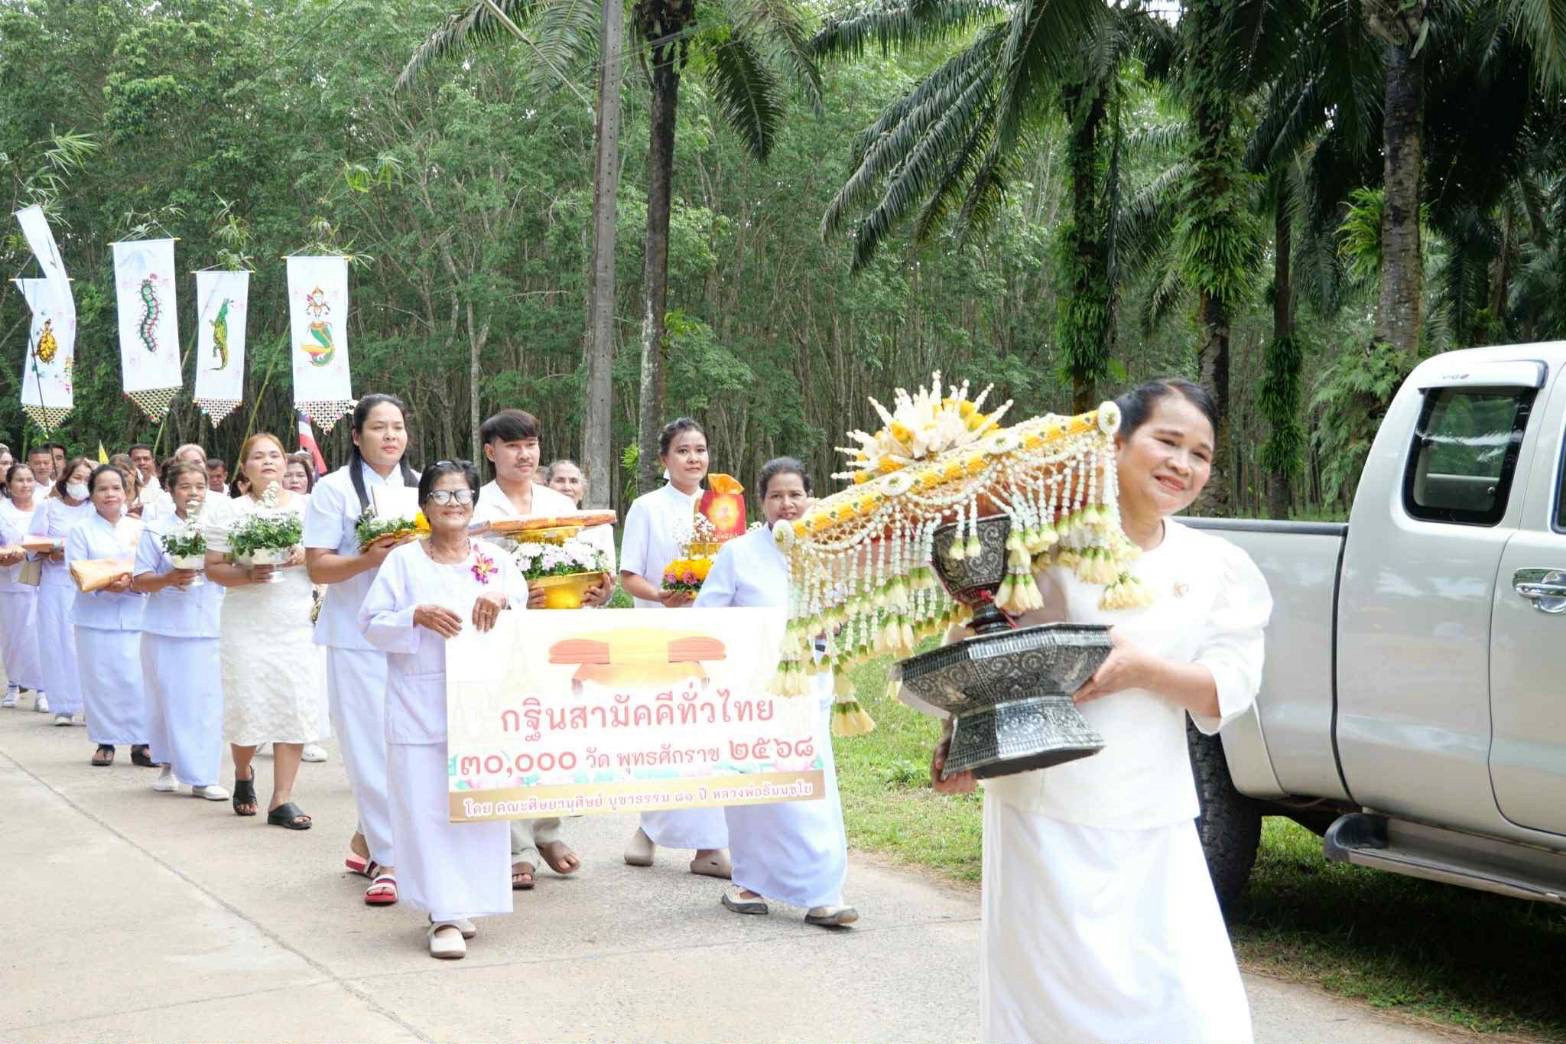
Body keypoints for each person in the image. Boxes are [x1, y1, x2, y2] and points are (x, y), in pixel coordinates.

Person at [930, 379, 1272, 1042]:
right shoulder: (1048, 551)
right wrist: (959, 736)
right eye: (1166, 441)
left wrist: (1143, 671)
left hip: (1155, 811)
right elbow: (984, 651)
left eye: (1199, 454)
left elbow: (1228, 687)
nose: (1182, 464)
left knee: (1195, 1009)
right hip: (1043, 809)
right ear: (1115, 445)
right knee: (1048, 1005)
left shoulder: (1218, 564)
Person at [360, 460, 528, 959]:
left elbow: (523, 610)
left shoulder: (495, 560)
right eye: (442, 495)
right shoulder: (404, 562)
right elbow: (370, 623)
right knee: (428, 808)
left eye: (462, 495)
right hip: (420, 701)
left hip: (480, 708)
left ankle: (468, 901)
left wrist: (503, 600)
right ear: (425, 506)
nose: (453, 504)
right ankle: (443, 913)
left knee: (475, 805)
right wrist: (415, 615)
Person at [695, 457, 857, 927]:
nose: (787, 504)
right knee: (754, 787)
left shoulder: (829, 550)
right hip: (749, 691)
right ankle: (748, 880)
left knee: (809, 785)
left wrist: (830, 626)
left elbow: (845, 611)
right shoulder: (738, 554)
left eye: (795, 494)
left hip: (808, 686)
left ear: (810, 497)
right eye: (776, 496)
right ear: (761, 503)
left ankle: (823, 891)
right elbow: (708, 615)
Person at [472, 409, 611, 888]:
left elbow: (586, 564)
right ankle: (515, 845)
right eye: (512, 445)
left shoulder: (558, 503)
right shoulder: (476, 509)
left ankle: (548, 829)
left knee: (553, 733)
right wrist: (512, 598)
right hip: (500, 639)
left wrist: (599, 590)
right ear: (491, 453)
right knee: (508, 733)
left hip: (555, 637)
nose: (524, 453)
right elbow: (466, 574)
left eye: (530, 444)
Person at [305, 394, 419, 904]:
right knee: (371, 747)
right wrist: (366, 559)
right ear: (356, 436)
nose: (390, 436)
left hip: (416, 635)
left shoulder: (426, 489)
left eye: (397, 427)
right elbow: (317, 566)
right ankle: (391, 858)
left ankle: (369, 839)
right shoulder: (333, 491)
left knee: (413, 745)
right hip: (355, 636)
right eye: (379, 428)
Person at [618, 417, 730, 877]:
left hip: (713, 638)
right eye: (683, 450)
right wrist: (663, 597)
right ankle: (649, 829)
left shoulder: (725, 507)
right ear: (664, 459)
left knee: (710, 741)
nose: (694, 458)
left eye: (700, 449)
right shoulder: (646, 507)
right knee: (665, 738)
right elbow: (630, 578)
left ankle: (709, 847)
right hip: (659, 637)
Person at [204, 433, 322, 830]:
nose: (268, 462)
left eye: (275, 455)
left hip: (294, 619)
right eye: (258, 456)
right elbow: (214, 567)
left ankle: (282, 799)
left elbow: (326, 556)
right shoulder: (227, 511)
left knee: (294, 702)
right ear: (245, 467)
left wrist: (309, 553)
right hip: (247, 619)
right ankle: (242, 772)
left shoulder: (309, 508)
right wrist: (247, 573)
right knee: (248, 704)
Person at [133, 459, 228, 800]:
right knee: (166, 700)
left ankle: (203, 775)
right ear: (171, 490)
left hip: (209, 625)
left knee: (204, 703)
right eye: (185, 487)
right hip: (165, 627)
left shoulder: (219, 527)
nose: (193, 493)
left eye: (200, 487)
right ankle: (168, 763)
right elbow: (140, 579)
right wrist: (170, 578)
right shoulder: (155, 528)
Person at [65, 465, 152, 768]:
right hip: (95, 617)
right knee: (101, 681)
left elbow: (151, 567)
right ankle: (105, 742)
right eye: (102, 488)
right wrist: (105, 587)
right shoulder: (80, 530)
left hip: (136, 612)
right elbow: (76, 571)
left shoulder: (140, 528)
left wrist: (135, 584)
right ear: (92, 494)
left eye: (116, 487)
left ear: (126, 492)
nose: (110, 494)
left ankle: (143, 743)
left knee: (137, 680)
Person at [28, 458, 97, 724]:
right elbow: (32, 542)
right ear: (66, 479)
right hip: (55, 583)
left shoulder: (95, 510)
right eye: (76, 478)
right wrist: (51, 550)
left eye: (86, 479)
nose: (80, 484)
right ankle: (63, 705)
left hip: (88, 583)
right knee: (57, 641)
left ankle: (91, 704)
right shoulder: (48, 507)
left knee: (84, 643)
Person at [0, 464, 47, 711]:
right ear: (9, 484)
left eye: (29, 480)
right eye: (19, 480)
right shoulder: (2, 510)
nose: (26, 485)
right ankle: (14, 683)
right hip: (9, 581)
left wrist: (31, 549)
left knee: (37, 636)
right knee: (12, 637)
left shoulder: (44, 508)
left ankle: (42, 689)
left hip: (39, 580)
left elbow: (52, 540)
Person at [141, 444, 207, 522]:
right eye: (186, 463)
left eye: (197, 462)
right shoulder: (158, 504)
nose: (192, 466)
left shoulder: (222, 503)